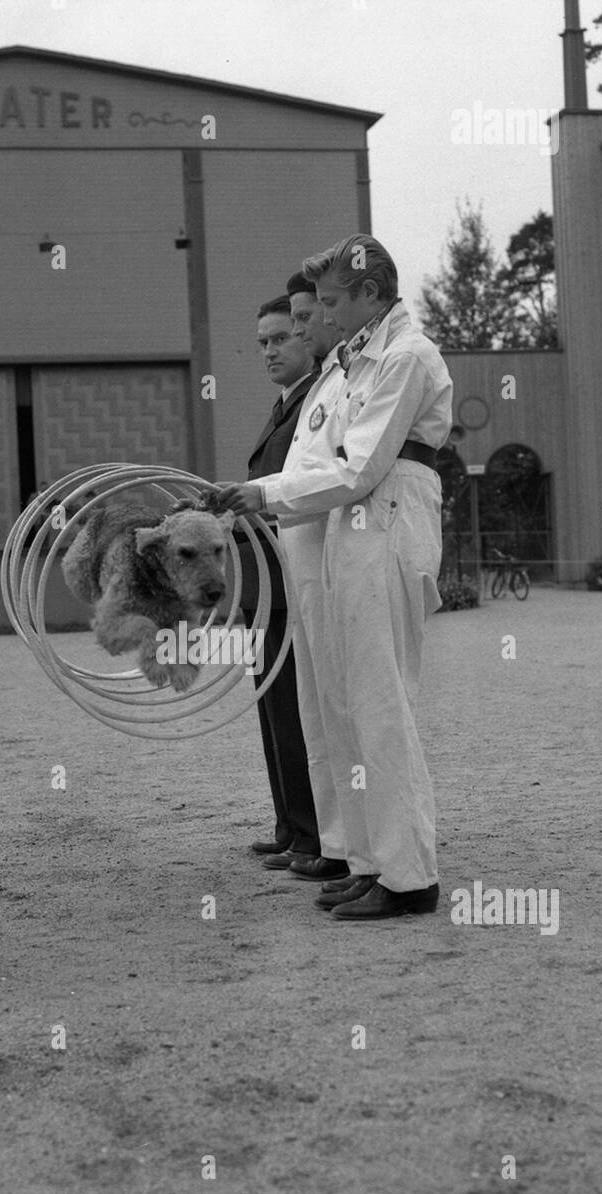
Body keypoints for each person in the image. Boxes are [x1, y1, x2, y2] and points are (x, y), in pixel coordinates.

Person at [208, 234, 452, 920]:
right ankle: (371, 858)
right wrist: (267, 494)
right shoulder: (353, 364)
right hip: (349, 527)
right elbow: (333, 464)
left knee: (380, 703)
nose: (324, 314)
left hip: (387, 516)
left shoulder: (404, 357)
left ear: (374, 294)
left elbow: (360, 466)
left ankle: (409, 874)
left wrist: (262, 494)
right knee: (344, 703)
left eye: (337, 301)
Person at [240, 295, 321, 865]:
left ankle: (314, 832)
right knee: (272, 704)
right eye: (262, 342)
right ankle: (291, 824)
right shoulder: (284, 406)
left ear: (305, 336)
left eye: (278, 339)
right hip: (261, 582)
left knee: (294, 707)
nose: (268, 350)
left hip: (289, 579)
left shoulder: (313, 406)